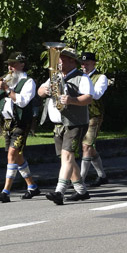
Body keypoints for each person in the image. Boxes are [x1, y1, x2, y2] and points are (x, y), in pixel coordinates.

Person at [38, 47, 93, 203]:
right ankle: (81, 191)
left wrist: (72, 100)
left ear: (72, 61)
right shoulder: (54, 76)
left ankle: (59, 191)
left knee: (67, 156)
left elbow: (89, 98)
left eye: (61, 58)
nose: (58, 62)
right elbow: (40, 92)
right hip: (58, 123)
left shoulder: (82, 78)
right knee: (66, 158)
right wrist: (46, 90)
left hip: (75, 122)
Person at [0, 52, 42, 202]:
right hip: (7, 123)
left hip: (21, 123)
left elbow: (23, 102)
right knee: (17, 156)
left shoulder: (29, 82)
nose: (10, 67)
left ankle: (6, 191)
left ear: (22, 64)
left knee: (11, 155)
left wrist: (6, 88)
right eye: (8, 64)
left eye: (13, 64)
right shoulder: (8, 80)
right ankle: (32, 186)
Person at [79, 52, 109, 188]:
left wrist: (84, 83)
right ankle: (102, 175)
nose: (84, 66)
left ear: (93, 63)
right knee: (89, 147)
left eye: (87, 63)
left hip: (94, 115)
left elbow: (96, 95)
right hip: (79, 115)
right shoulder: (78, 76)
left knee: (86, 146)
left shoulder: (101, 77)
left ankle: (80, 180)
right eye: (82, 63)